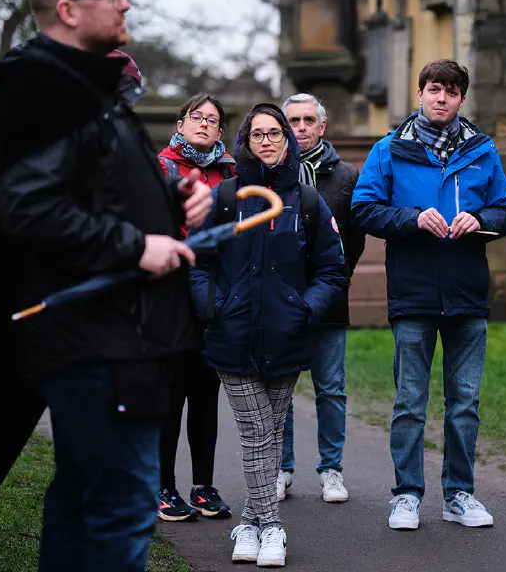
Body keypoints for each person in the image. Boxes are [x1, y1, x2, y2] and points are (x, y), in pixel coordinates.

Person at [0, 0, 212, 571]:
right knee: (120, 507)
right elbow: (29, 209)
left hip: (116, 336)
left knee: (86, 503)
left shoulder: (85, 89)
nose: (125, 3)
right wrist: (138, 246)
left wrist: (171, 200)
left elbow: (92, 188)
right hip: (99, 340)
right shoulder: (47, 92)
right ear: (68, 10)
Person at [0, 46, 145, 540]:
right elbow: (28, 213)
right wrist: (135, 243)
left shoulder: (82, 125)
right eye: (120, 93)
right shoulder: (42, 117)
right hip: (18, 317)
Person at [352, 59, 506, 530]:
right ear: (420, 93)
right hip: (413, 294)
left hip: (467, 294)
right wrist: (412, 219)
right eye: (433, 89)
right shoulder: (388, 149)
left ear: (461, 98)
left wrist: (480, 220)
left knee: (464, 404)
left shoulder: (482, 150)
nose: (441, 98)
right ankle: (406, 495)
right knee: (410, 402)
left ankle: (459, 494)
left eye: (450, 91)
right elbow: (363, 208)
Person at [189, 102, 346, 566]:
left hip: (286, 335)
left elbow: (332, 270)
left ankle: (249, 523)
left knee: (271, 431)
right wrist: (213, 307)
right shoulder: (225, 197)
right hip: (232, 336)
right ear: (245, 142)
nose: (267, 141)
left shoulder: (308, 201)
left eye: (275, 133)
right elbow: (198, 261)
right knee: (258, 430)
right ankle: (272, 526)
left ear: (286, 140)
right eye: (257, 134)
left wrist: (304, 310)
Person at [276, 93, 366, 503]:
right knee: (281, 389)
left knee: (330, 389)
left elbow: (355, 238)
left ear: (322, 126)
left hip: (329, 299)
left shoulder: (346, 176)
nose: (301, 128)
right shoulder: (268, 172)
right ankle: (281, 468)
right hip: (280, 299)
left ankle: (331, 470)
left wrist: (336, 279)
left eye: (308, 120)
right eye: (293, 120)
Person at [154, 94, 235, 521]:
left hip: (214, 297)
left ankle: (203, 485)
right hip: (170, 297)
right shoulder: (160, 167)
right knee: (170, 395)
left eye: (212, 120)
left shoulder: (231, 173)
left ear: (221, 131)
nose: (204, 124)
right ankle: (162, 488)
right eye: (196, 116)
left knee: (206, 394)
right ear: (181, 123)